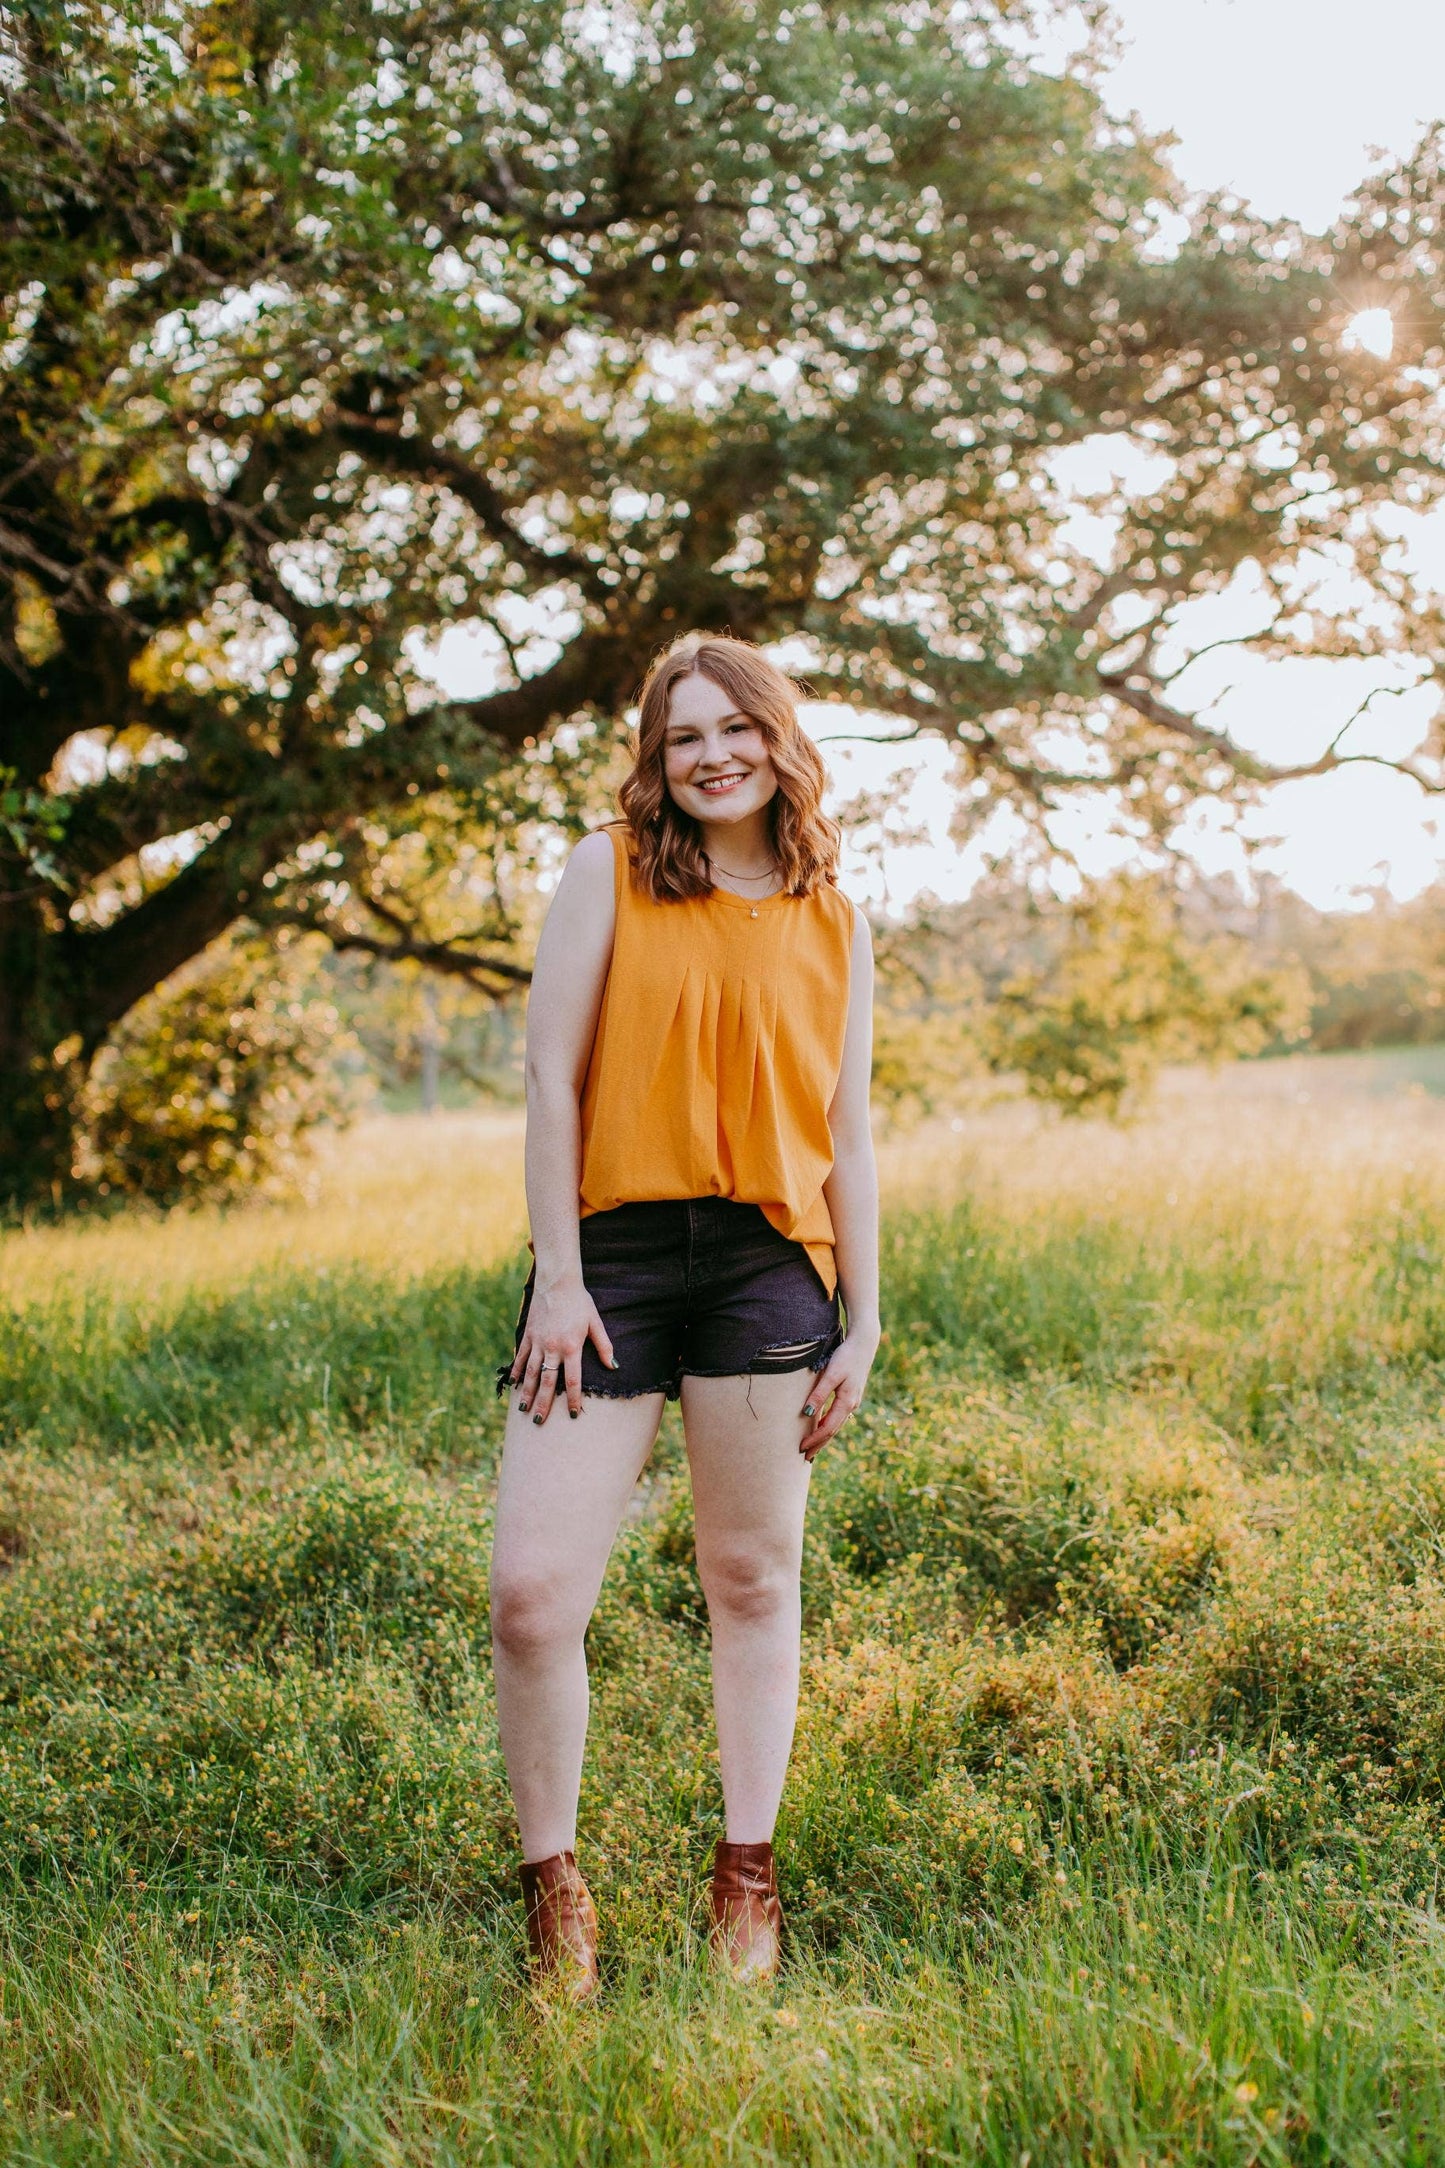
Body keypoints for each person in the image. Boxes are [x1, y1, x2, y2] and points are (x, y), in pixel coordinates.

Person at [489, 629, 880, 2001]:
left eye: (735, 729)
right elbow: (548, 1078)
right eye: (682, 736)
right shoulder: (609, 869)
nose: (711, 756)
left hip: (773, 1262)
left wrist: (866, 1315)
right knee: (532, 1598)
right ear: (655, 759)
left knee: (751, 1579)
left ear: (779, 741)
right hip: (610, 1262)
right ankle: (556, 1900)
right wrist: (558, 1274)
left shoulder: (832, 910)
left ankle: (746, 1878)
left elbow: (845, 1122)